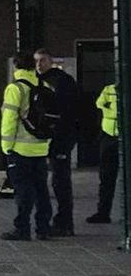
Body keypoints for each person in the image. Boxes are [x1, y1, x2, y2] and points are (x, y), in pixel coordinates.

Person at [0, 51, 53, 241]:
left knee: (23, 191)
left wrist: (7, 147)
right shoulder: (44, 86)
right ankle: (44, 228)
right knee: (41, 190)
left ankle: (22, 228)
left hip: (20, 150)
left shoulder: (16, 89)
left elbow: (9, 119)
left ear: (16, 66)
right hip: (40, 147)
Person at [35, 48, 79, 237]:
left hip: (62, 137)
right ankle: (61, 220)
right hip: (54, 137)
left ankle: (65, 222)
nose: (39, 64)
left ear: (51, 61)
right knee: (57, 180)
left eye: (43, 60)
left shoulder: (61, 82)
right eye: (36, 61)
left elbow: (65, 110)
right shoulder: (41, 81)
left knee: (61, 180)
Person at [87, 83, 119, 224]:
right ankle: (103, 212)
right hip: (108, 136)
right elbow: (99, 103)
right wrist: (114, 113)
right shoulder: (109, 89)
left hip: (116, 136)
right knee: (106, 177)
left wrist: (109, 111)